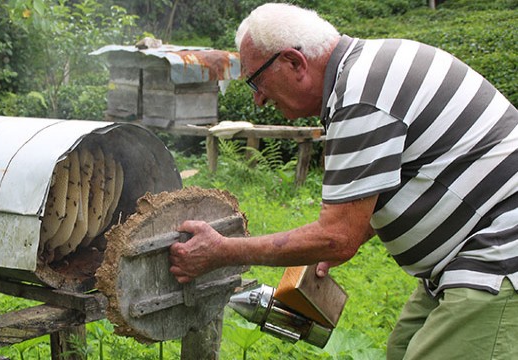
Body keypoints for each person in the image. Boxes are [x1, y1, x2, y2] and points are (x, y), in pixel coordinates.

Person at [168, 3, 518, 359]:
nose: (258, 99)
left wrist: (221, 252)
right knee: (401, 349)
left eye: (257, 81)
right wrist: (337, 237)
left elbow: (337, 237)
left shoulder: (360, 98)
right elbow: (404, 180)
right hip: (464, 253)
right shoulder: (364, 74)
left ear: (293, 62)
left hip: (499, 254)